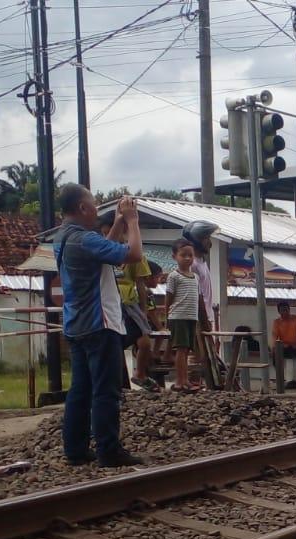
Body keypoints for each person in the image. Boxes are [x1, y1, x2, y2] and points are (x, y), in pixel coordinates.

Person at [54, 185, 143, 466]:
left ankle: (76, 449)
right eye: (92, 204)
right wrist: (132, 222)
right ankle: (109, 449)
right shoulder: (85, 240)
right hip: (100, 322)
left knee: (80, 390)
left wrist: (116, 223)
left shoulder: (65, 237)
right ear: (82, 208)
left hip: (76, 323)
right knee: (106, 389)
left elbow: (105, 254)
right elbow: (133, 254)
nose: (96, 209)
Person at [106, 223, 158, 392]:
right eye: (105, 233)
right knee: (115, 344)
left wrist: (143, 310)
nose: (111, 236)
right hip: (110, 303)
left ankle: (140, 373)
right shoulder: (102, 253)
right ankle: (118, 383)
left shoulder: (134, 254)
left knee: (144, 341)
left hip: (130, 303)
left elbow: (140, 283)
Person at [181, 220, 221, 385]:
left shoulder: (201, 262)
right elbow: (196, 296)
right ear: (197, 240)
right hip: (199, 316)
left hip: (207, 315)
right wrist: (204, 320)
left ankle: (199, 385)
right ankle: (193, 386)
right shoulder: (194, 265)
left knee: (206, 354)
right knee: (198, 355)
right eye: (206, 238)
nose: (209, 242)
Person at [165, 239, 202, 392]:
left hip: (191, 318)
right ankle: (180, 381)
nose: (187, 258)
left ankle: (185, 380)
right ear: (175, 257)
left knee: (186, 350)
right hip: (178, 317)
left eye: (190, 255)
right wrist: (167, 316)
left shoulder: (196, 277)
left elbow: (198, 299)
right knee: (181, 349)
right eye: (183, 255)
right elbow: (169, 297)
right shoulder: (174, 276)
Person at [272, 301, 296, 389]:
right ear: (279, 311)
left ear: (289, 310)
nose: (284, 312)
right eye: (282, 310)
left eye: (286, 310)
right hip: (284, 346)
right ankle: (281, 381)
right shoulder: (277, 322)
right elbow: (275, 336)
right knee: (275, 357)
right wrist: (274, 348)